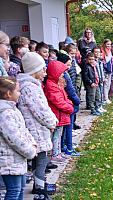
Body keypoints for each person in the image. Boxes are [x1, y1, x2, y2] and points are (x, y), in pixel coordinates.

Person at [17, 52, 57, 198]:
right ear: (33, 70)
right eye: (42, 69)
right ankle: (40, 189)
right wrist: (52, 121)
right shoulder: (29, 87)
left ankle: (38, 184)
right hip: (35, 129)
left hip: (37, 128)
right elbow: (40, 110)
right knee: (41, 159)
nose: (45, 72)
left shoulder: (32, 85)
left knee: (39, 158)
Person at [0, 77, 37, 200]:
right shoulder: (5, 113)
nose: (20, 93)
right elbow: (14, 138)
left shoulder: (13, 109)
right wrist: (29, 150)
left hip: (18, 159)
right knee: (13, 190)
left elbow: (24, 130)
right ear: (8, 94)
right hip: (9, 161)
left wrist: (32, 143)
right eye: (18, 91)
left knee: (20, 188)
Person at [44, 60, 74, 162]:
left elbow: (64, 98)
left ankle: (58, 152)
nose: (63, 75)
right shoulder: (51, 85)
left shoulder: (57, 83)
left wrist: (69, 103)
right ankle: (55, 154)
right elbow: (58, 101)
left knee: (59, 135)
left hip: (61, 115)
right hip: (57, 115)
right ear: (55, 73)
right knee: (56, 136)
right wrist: (69, 108)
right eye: (61, 73)